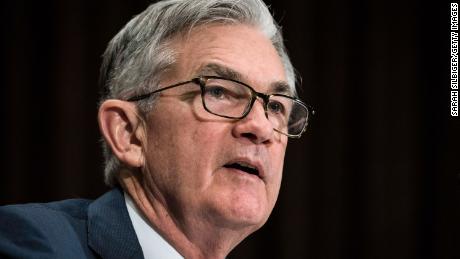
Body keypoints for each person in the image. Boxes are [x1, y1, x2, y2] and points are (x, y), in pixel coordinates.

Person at [0, 0, 313, 258]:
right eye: (219, 92)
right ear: (129, 133)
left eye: (275, 106)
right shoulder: (32, 243)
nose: (260, 127)